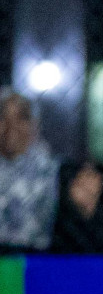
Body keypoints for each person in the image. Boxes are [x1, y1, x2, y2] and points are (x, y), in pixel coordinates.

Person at [0, 90, 58, 253]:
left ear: (35, 124)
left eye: (22, 117)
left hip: (36, 259)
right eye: (3, 117)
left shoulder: (52, 170)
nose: (12, 125)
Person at [51, 160, 103, 253]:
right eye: (78, 179)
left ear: (100, 180)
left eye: (89, 175)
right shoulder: (57, 222)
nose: (83, 181)